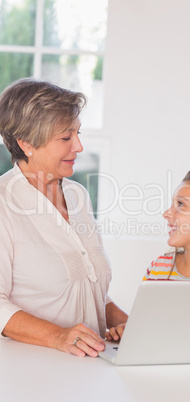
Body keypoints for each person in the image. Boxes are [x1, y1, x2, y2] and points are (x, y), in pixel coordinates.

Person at [0, 78, 127, 357]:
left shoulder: (78, 195)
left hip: (90, 370)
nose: (79, 146)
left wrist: (124, 321)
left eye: (78, 134)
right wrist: (58, 337)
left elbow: (86, 287)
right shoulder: (3, 204)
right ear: (26, 143)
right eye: (66, 138)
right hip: (31, 374)